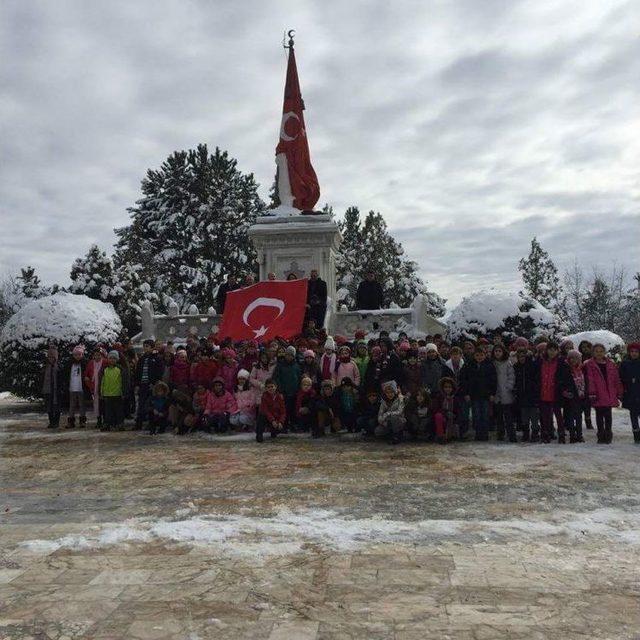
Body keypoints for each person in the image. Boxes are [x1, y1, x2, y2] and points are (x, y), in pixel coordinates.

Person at [583, 343, 623, 444]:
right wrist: (592, 392)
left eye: (601, 351)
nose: (599, 353)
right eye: (596, 351)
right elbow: (590, 380)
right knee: (599, 415)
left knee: (608, 415)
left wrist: (619, 391)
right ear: (593, 353)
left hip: (609, 393)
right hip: (598, 393)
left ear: (604, 352)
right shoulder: (590, 364)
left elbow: (616, 379)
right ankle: (601, 434)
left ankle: (608, 434)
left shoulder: (610, 364)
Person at [460, 347, 497, 441]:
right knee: (476, 415)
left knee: (485, 414)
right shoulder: (468, 365)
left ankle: (484, 434)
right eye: (477, 355)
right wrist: (466, 393)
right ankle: (478, 433)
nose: (479, 357)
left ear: (485, 355)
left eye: (481, 355)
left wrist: (492, 393)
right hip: (474, 395)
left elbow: (493, 381)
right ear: (474, 355)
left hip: (486, 395)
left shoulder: (490, 365)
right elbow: (464, 380)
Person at [538, 342, 565, 443]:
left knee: (558, 414)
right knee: (545, 415)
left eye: (554, 350)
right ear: (546, 350)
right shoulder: (541, 361)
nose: (552, 352)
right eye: (550, 349)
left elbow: (564, 376)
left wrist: (561, 387)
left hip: (556, 393)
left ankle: (561, 433)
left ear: (558, 351)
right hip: (544, 392)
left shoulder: (561, 362)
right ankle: (546, 433)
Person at [134, 339, 164, 430]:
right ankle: (139, 423)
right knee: (141, 404)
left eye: (147, 346)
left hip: (151, 385)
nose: (145, 348)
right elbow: (138, 372)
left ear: (152, 347)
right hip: (143, 384)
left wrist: (154, 382)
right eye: (144, 346)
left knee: (151, 404)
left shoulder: (156, 358)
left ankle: (152, 424)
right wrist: (137, 384)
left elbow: (159, 372)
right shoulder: (142, 359)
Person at [558, 350, 587, 443]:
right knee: (570, 417)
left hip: (580, 396)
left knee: (578, 417)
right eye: (571, 358)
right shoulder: (565, 369)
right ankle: (572, 435)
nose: (573, 360)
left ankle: (579, 434)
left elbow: (585, 382)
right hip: (569, 397)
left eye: (575, 358)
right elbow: (561, 382)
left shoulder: (582, 370)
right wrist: (564, 392)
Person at [513, 346, 540, 442]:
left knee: (534, 416)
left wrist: (536, 392)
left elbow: (537, 380)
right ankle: (526, 433)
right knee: (524, 416)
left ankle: (535, 433)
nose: (521, 358)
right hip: (522, 396)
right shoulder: (516, 367)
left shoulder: (532, 366)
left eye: (523, 356)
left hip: (532, 396)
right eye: (519, 357)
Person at [492, 344, 517, 442]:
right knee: (499, 417)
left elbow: (511, 376)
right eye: (496, 351)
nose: (497, 353)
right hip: (496, 393)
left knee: (508, 417)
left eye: (499, 351)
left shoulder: (507, 363)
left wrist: (508, 387)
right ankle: (500, 434)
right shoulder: (492, 363)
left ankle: (512, 435)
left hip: (506, 393)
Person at [273, 345, 301, 429]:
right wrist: (280, 390)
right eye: (288, 355)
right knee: (284, 409)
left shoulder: (296, 366)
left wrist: (298, 389)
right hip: (283, 392)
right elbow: (276, 378)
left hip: (294, 392)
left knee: (292, 409)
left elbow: (299, 378)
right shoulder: (280, 365)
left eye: (291, 355)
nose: (289, 357)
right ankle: (283, 425)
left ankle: (293, 424)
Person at [99, 350, 126, 431]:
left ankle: (120, 424)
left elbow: (123, 381)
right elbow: (102, 381)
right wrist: (101, 392)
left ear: (117, 359)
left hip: (117, 393)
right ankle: (107, 424)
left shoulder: (119, 369)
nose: (112, 360)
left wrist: (123, 392)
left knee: (118, 411)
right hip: (107, 394)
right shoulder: (105, 369)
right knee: (108, 411)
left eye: (114, 358)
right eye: (110, 358)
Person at [620, 342, 640, 443]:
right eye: (632, 351)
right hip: (630, 393)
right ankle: (636, 434)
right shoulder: (625, 363)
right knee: (633, 414)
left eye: (636, 351)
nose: (634, 353)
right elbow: (621, 377)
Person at [65, 344, 88, 428]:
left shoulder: (84, 363)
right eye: (76, 355)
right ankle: (71, 421)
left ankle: (82, 421)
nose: (77, 356)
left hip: (81, 388)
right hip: (72, 388)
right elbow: (66, 375)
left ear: (82, 355)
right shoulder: (70, 364)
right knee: (72, 405)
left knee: (82, 405)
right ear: (73, 355)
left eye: (79, 354)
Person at [377, 380, 405, 444]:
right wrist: (384, 422)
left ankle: (396, 435)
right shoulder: (383, 401)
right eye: (387, 392)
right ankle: (390, 434)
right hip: (387, 422)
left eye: (391, 392)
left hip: (399, 420)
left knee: (394, 417)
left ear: (394, 391)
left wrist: (387, 413)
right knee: (378, 431)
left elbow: (400, 412)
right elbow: (380, 415)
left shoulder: (400, 399)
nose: (390, 394)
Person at [84, 347, 107, 428]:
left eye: (99, 355)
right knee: (96, 405)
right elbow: (86, 376)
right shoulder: (90, 363)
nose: (97, 357)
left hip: (104, 387)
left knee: (104, 404)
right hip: (94, 387)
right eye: (95, 355)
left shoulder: (105, 362)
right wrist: (90, 385)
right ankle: (99, 420)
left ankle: (105, 420)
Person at [432, 377, 459, 444]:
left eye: (449, 387)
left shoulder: (456, 398)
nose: (448, 389)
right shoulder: (439, 397)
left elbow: (458, 411)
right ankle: (440, 436)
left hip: (452, 419)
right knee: (438, 416)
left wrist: (453, 415)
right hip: (442, 418)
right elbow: (436, 409)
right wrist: (446, 413)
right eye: (446, 387)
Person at [42, 345, 62, 428]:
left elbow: (61, 378)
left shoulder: (59, 367)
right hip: (48, 389)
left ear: (56, 357)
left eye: (52, 357)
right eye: (49, 357)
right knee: (49, 406)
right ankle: (51, 422)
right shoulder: (45, 367)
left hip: (56, 389)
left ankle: (56, 422)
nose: (51, 359)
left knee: (57, 406)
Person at [577, 340, 594, 430]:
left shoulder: (593, 358)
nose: (585, 349)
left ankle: (588, 422)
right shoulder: (579, 357)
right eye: (583, 347)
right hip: (580, 382)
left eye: (587, 347)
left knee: (588, 404)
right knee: (580, 404)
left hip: (590, 383)